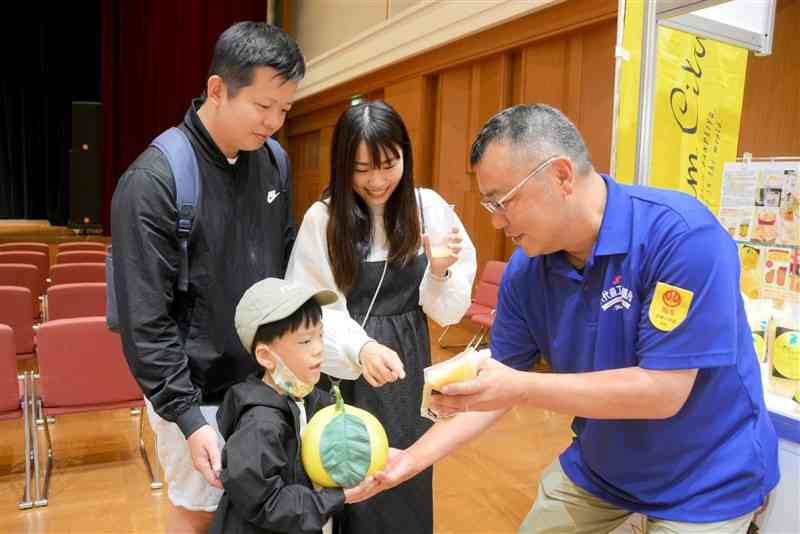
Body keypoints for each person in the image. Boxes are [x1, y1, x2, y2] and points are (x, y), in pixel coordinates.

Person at [372, 103, 780, 533]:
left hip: (708, 480)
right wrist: (409, 460)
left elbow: (663, 391)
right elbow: (497, 388)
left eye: (503, 201)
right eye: (490, 205)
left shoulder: (682, 237)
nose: (497, 221)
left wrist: (521, 386)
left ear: (561, 176)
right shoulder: (527, 272)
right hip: (604, 469)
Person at [110, 23, 402, 533]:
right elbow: (146, 324)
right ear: (218, 89)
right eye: (263, 107)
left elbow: (286, 273)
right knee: (199, 513)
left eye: (285, 109)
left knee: (268, 514)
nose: (274, 121)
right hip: (197, 392)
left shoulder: (273, 161)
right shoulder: (154, 182)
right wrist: (187, 420)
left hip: (269, 383)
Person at [285, 100, 477, 534]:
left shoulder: (428, 207)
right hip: (340, 366)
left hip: (405, 368)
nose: (376, 181)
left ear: (405, 157)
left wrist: (441, 268)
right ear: (341, 166)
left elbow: (447, 310)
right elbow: (314, 307)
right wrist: (362, 347)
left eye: (388, 164)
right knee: (345, 481)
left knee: (404, 479)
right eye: (361, 168)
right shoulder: (324, 218)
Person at [210, 278, 379, 534]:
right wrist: (336, 498)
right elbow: (266, 503)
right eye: (305, 341)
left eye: (321, 336)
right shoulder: (260, 425)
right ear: (265, 356)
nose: (319, 349)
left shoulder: (309, 398)